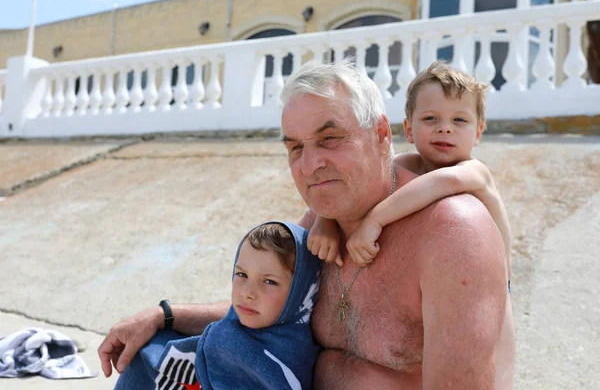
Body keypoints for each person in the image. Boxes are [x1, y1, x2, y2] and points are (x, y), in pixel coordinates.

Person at [99, 60, 515, 389]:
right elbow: (263, 308)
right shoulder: (321, 225)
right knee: (153, 352)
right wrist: (163, 315)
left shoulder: (452, 229)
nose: (311, 165)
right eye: (296, 147)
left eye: (330, 138)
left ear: (382, 134)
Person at [308, 61, 513, 293]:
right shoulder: (404, 164)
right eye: (430, 119)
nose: (445, 128)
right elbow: (360, 181)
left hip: (489, 286)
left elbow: (444, 181)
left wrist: (374, 220)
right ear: (408, 130)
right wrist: (325, 221)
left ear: (477, 133)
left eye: (459, 120)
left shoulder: (474, 171)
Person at [114, 221, 321, 389]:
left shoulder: (283, 362)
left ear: (301, 293)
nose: (247, 293)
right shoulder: (233, 324)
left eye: (269, 281)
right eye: (241, 274)